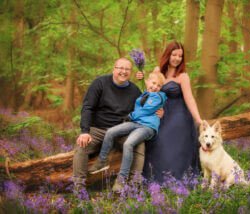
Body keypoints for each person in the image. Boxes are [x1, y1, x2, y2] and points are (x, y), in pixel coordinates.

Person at [72, 58, 143, 195]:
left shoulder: (135, 91)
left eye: (127, 69)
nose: (123, 71)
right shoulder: (100, 83)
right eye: (120, 68)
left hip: (121, 130)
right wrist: (85, 131)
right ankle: (79, 187)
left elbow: (143, 110)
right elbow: (88, 107)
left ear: (131, 72)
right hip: (98, 128)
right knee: (82, 145)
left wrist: (158, 110)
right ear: (113, 69)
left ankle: (134, 186)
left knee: (139, 144)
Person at [88, 72, 167, 191]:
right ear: (148, 82)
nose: (155, 87)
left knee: (128, 144)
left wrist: (129, 116)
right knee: (110, 132)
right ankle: (102, 161)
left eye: (159, 85)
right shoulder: (144, 94)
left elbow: (144, 111)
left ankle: (121, 180)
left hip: (147, 127)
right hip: (135, 123)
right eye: (154, 83)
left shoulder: (158, 97)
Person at [142, 41, 203, 183]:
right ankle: (155, 183)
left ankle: (177, 183)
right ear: (167, 55)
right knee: (154, 143)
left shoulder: (183, 76)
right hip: (160, 115)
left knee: (169, 144)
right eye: (174, 54)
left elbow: (190, 99)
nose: (177, 58)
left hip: (178, 116)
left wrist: (199, 120)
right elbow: (149, 90)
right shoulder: (158, 72)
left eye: (180, 56)